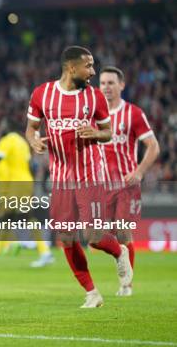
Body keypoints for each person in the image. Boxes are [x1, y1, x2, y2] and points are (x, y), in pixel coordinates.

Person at [25, 46, 132, 308]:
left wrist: (94, 133)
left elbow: (107, 132)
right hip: (61, 177)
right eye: (89, 66)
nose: (93, 72)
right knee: (67, 238)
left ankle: (120, 251)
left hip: (90, 174)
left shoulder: (94, 97)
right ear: (72, 68)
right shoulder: (43, 94)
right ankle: (92, 293)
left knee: (94, 237)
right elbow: (31, 129)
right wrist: (34, 142)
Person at [99, 66, 159, 296]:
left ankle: (126, 285)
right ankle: (122, 260)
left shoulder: (133, 113)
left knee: (123, 232)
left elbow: (153, 146)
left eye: (111, 83)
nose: (106, 87)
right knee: (99, 235)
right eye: (103, 83)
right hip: (100, 185)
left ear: (121, 85)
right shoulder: (94, 116)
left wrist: (140, 171)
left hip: (126, 184)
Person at [0, 119, 54, 268]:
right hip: (26, 182)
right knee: (20, 218)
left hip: (16, 184)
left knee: (10, 217)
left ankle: (40, 252)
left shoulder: (6, 141)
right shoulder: (22, 142)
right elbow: (30, 165)